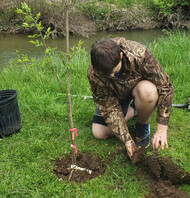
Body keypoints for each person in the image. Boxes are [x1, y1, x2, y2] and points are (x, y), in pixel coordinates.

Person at [87, 37, 173, 160]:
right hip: (115, 97)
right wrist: (126, 139)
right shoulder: (94, 72)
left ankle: (142, 124)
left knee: (148, 92)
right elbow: (108, 107)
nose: (111, 76)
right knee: (99, 132)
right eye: (107, 74)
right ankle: (134, 110)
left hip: (139, 89)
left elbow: (165, 87)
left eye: (114, 71)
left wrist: (161, 130)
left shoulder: (139, 54)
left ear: (121, 55)